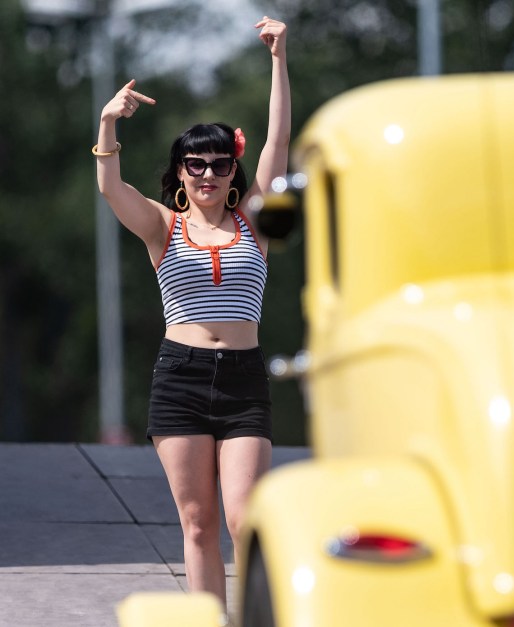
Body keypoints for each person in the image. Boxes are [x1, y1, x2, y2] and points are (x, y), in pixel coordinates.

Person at [93, 17, 290, 604]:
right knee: (199, 524)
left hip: (244, 380)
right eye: (196, 165)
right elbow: (110, 186)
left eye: (220, 164)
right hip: (180, 377)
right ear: (181, 172)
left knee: (243, 521)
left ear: (234, 174)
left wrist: (279, 59)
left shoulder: (252, 220)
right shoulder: (163, 225)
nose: (208, 174)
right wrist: (107, 122)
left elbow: (278, 144)